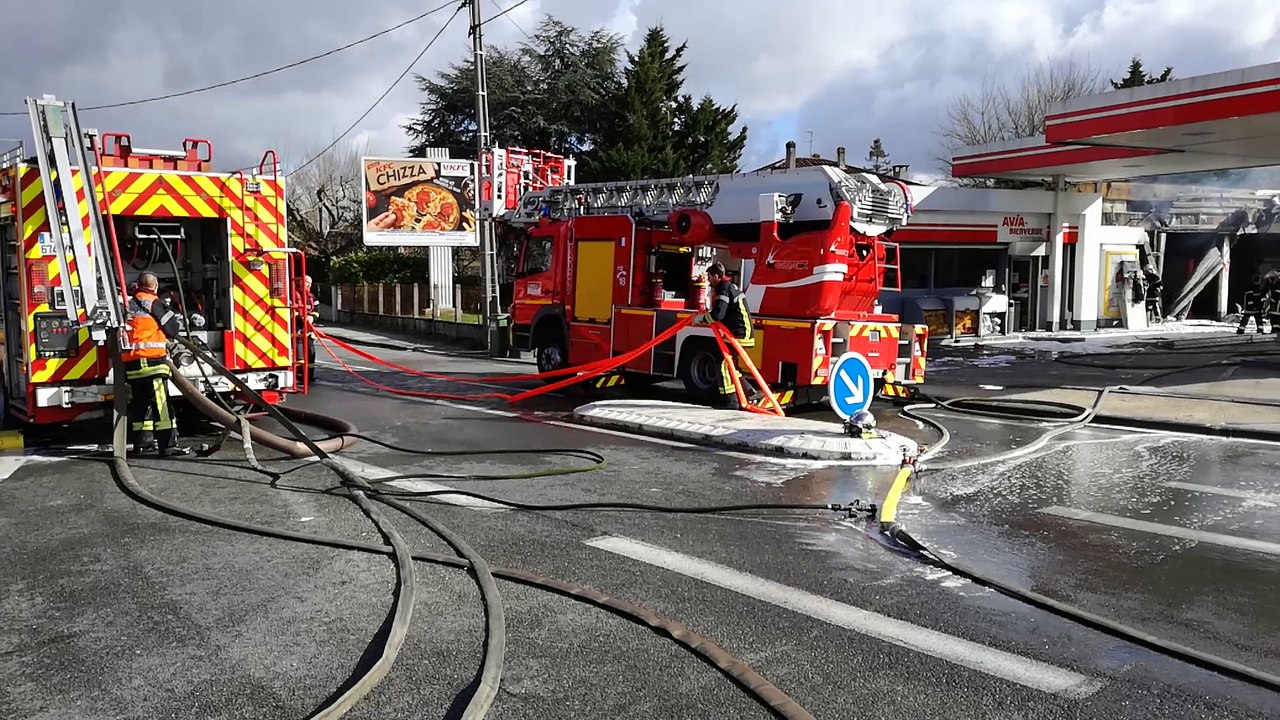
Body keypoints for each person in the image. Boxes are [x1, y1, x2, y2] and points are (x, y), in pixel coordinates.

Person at [123, 272, 191, 456]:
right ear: (156, 286)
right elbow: (173, 329)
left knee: (141, 405)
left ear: (138, 285)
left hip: (132, 364)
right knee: (162, 405)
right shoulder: (153, 302)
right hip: (152, 362)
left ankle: (142, 444)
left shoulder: (127, 304)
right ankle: (168, 445)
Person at [694, 262, 761, 410]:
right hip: (739, 333)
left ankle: (730, 401)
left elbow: (717, 315)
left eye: (710, 277)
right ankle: (748, 390)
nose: (708, 280)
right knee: (729, 364)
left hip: (739, 335)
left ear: (717, 277)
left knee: (722, 363)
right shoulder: (729, 287)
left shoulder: (724, 290)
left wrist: (701, 319)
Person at [294, 275, 319, 380]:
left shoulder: (312, 297)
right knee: (299, 354)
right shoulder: (294, 295)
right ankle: (299, 375)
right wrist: (301, 318)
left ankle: (309, 375)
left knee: (311, 353)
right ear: (300, 283)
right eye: (305, 282)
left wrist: (312, 318)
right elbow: (292, 311)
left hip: (309, 331)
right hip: (297, 330)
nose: (307, 284)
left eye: (309, 283)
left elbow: (317, 311)